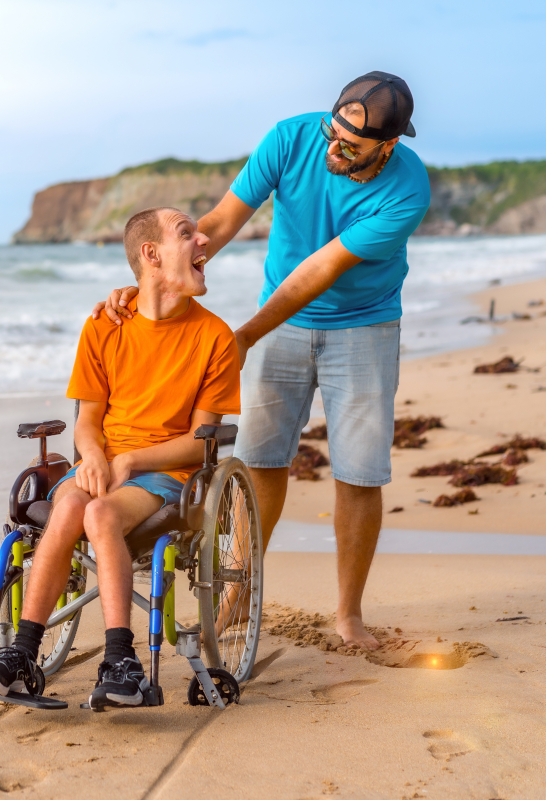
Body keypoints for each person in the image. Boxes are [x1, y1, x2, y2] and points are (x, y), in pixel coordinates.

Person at [95, 72, 431, 650]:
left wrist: (244, 335)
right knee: (258, 462)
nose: (334, 147)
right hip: (283, 324)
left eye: (352, 145)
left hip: (364, 326)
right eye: (333, 130)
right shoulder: (289, 139)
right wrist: (150, 284)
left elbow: (318, 272)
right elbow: (220, 224)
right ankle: (235, 596)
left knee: (358, 473)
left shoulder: (407, 190)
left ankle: (347, 614)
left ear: (389, 145)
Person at [0, 207, 240, 707]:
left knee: (94, 511)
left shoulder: (216, 338)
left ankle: (121, 658)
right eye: (187, 233)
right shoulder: (104, 324)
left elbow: (200, 442)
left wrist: (131, 463)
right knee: (72, 506)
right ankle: (23, 654)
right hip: (103, 463)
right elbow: (88, 421)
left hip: (165, 471)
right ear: (151, 254)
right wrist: (93, 455)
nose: (204, 239)